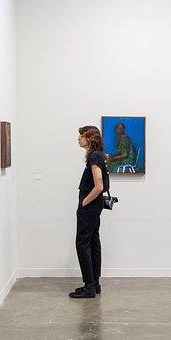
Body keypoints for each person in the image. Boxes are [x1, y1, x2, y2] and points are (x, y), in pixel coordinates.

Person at [70, 126, 110, 299]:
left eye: (82, 136)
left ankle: (89, 286)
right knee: (93, 242)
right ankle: (94, 283)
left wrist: (84, 202)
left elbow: (99, 185)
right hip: (95, 205)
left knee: (82, 243)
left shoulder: (94, 157)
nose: (79, 139)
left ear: (91, 138)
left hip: (90, 205)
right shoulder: (99, 155)